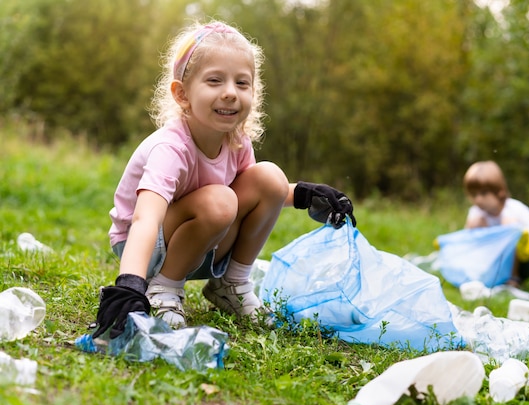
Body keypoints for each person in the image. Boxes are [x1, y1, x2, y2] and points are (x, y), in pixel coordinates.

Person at [91, 20, 356, 338]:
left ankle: (231, 284)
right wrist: (130, 283)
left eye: (242, 83)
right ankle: (162, 289)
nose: (230, 93)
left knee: (269, 177)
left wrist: (303, 194)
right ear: (182, 94)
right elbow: (145, 217)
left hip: (202, 244)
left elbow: (255, 196)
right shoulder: (171, 147)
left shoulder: (236, 141)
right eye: (215, 81)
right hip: (143, 250)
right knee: (221, 200)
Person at [463, 160, 529, 287]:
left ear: (499, 192)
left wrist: (519, 236)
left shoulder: (518, 211)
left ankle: (512, 279)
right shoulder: (476, 214)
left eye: (483, 193)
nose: (478, 199)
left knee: (510, 224)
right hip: (489, 263)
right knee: (476, 223)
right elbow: (467, 245)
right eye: (473, 194)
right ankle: (481, 275)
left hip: (523, 265)